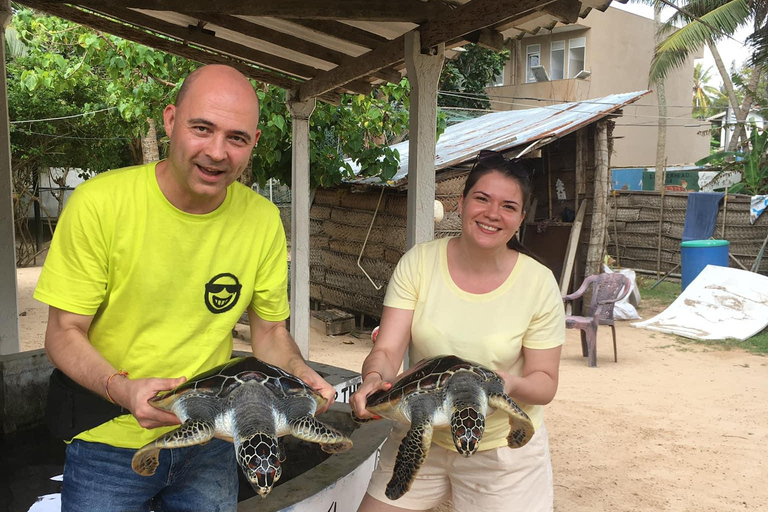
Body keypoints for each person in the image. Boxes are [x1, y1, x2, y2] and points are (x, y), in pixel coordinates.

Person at [34, 64, 335, 512]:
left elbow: (270, 333)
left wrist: (298, 373)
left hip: (214, 436)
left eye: (236, 138)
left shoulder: (262, 220)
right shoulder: (100, 204)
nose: (216, 152)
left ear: (252, 143)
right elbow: (62, 332)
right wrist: (121, 389)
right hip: (108, 436)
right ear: (171, 121)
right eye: (202, 128)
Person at [350, 150, 565, 512]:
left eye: (508, 206)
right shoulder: (419, 263)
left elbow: (544, 382)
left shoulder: (538, 283)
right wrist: (373, 378)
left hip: (499, 450)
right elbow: (387, 350)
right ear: (461, 203)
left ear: (521, 218)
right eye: (482, 198)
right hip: (423, 426)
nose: (493, 213)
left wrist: (506, 385)